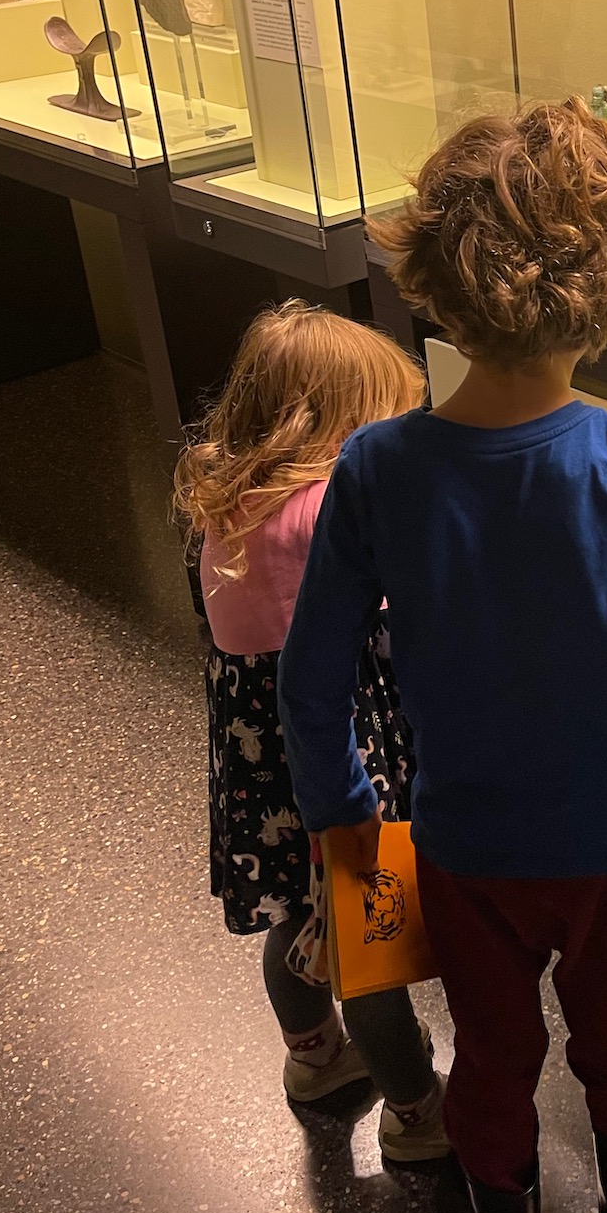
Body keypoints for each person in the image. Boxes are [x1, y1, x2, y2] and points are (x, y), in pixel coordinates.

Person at [278, 99, 607, 1213]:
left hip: (463, 844)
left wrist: (345, 818)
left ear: (434, 279)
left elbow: (312, 676)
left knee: (493, 1050)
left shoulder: (380, 468)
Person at [174, 301, 448, 1166]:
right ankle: (417, 1112)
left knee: (293, 920)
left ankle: (316, 1062)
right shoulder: (334, 509)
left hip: (261, 768)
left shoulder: (220, 502)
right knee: (369, 947)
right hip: (341, 764)